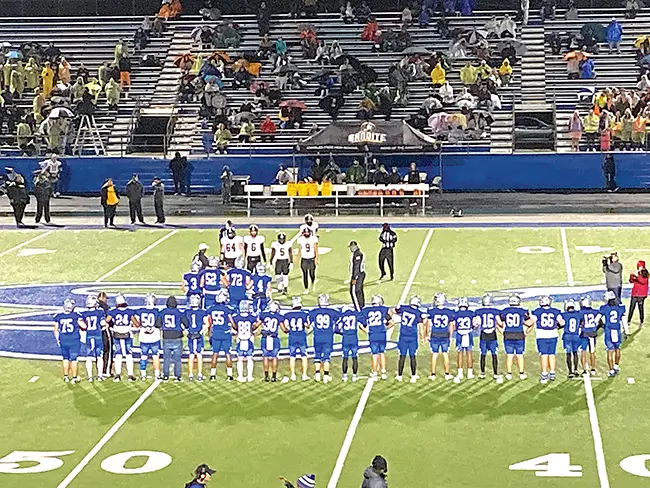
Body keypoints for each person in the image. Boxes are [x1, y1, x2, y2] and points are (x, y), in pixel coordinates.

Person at [497, 294, 533, 380]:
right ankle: (521, 373)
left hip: (508, 334)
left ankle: (509, 373)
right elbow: (529, 323)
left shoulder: (504, 311)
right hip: (519, 334)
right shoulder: (522, 311)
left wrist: (502, 332)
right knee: (520, 355)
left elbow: (499, 323)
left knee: (509, 355)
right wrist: (526, 332)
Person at [104, 293, 137, 382]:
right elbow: (137, 324)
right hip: (127, 333)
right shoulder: (130, 312)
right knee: (128, 354)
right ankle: (130, 375)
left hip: (117, 333)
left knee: (118, 354)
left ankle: (117, 375)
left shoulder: (113, 311)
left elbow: (106, 321)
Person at [531, 295, 563, 384]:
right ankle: (552, 373)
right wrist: (556, 327)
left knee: (544, 355)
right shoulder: (555, 311)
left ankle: (544, 374)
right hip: (553, 335)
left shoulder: (537, 311)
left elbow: (530, 322)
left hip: (542, 335)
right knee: (552, 354)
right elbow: (562, 322)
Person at [360, 295, 393, 379]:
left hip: (373, 334)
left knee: (374, 354)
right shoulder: (383, 309)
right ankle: (383, 372)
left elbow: (361, 324)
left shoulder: (366, 310)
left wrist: (367, 331)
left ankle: (374, 372)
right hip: (381, 334)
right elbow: (392, 322)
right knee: (382, 352)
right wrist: (384, 328)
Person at [53, 299, 86, 383]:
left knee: (65, 358)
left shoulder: (59, 316)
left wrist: (58, 339)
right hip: (73, 340)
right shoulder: (76, 315)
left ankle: (66, 376)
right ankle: (74, 377)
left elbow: (55, 329)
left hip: (63, 340)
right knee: (74, 359)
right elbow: (84, 326)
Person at [598, 290, 629, 377]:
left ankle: (611, 370)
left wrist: (600, 325)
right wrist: (626, 332)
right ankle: (616, 366)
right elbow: (624, 321)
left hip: (609, 331)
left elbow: (597, 319)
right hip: (617, 330)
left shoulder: (604, 308)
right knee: (617, 349)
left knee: (610, 351)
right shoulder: (620, 307)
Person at [281, 296, 312, 381]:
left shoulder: (287, 315)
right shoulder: (304, 314)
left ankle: (293, 375)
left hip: (292, 336)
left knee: (292, 356)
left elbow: (286, 327)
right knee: (304, 356)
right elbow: (308, 325)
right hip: (301, 336)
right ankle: (304, 375)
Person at [158, 295, 188, 381]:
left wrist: (162, 327)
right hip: (177, 336)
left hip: (166, 336)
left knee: (166, 358)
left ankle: (165, 375)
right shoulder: (179, 312)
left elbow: (157, 324)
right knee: (177, 359)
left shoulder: (163, 312)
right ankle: (177, 376)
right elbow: (186, 324)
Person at [395, 296, 424, 382]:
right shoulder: (418, 313)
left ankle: (399, 375)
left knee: (402, 355)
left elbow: (395, 311)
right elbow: (420, 326)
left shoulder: (404, 308)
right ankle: (413, 375)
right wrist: (422, 337)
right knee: (412, 356)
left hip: (403, 335)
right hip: (412, 336)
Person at [134, 293, 161, 380]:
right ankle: (157, 374)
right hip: (154, 336)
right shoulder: (157, 311)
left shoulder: (140, 311)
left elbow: (136, 322)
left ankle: (143, 374)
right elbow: (159, 324)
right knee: (155, 355)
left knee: (143, 356)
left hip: (144, 336)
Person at [475, 293, 500, 380]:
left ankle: (482, 373)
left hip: (483, 334)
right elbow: (499, 323)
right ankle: (495, 373)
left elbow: (476, 323)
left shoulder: (479, 311)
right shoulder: (495, 311)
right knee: (494, 354)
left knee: (483, 354)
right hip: (492, 334)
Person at [81, 294, 106, 381]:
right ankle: (99, 375)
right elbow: (103, 323)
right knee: (99, 356)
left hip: (89, 336)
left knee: (89, 357)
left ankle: (90, 377)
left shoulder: (84, 314)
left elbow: (83, 325)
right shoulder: (100, 312)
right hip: (97, 336)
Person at [258, 300, 283, 381]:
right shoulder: (279, 316)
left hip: (265, 337)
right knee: (274, 356)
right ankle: (274, 377)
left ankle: (266, 376)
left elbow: (257, 325)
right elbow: (284, 329)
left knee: (265, 356)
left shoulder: (264, 315)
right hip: (274, 337)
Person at [561, 299, 581, 378]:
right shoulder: (578, 314)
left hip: (567, 336)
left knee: (568, 354)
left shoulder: (564, 314)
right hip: (576, 335)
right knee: (575, 353)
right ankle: (576, 369)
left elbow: (560, 323)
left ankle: (570, 371)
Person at [297, 227, 318, 294]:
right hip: (304, 258)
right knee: (304, 274)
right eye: (305, 232)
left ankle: (313, 283)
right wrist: (298, 258)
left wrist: (316, 258)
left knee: (312, 273)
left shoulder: (313, 239)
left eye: (307, 232)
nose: (306, 233)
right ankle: (306, 288)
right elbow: (299, 249)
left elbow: (316, 249)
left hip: (311, 258)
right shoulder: (300, 239)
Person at [629, 260, 648, 327]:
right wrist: (631, 276)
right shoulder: (637, 273)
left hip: (641, 294)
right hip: (635, 293)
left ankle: (641, 321)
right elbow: (631, 281)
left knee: (640, 308)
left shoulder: (645, 272)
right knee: (631, 308)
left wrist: (637, 276)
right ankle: (629, 321)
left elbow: (643, 281)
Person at [349, 240, 366, 310]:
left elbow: (356, 266)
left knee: (355, 291)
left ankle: (358, 306)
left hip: (358, 274)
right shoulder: (356, 253)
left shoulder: (357, 254)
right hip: (359, 274)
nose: (350, 248)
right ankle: (360, 304)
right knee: (358, 290)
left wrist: (354, 277)